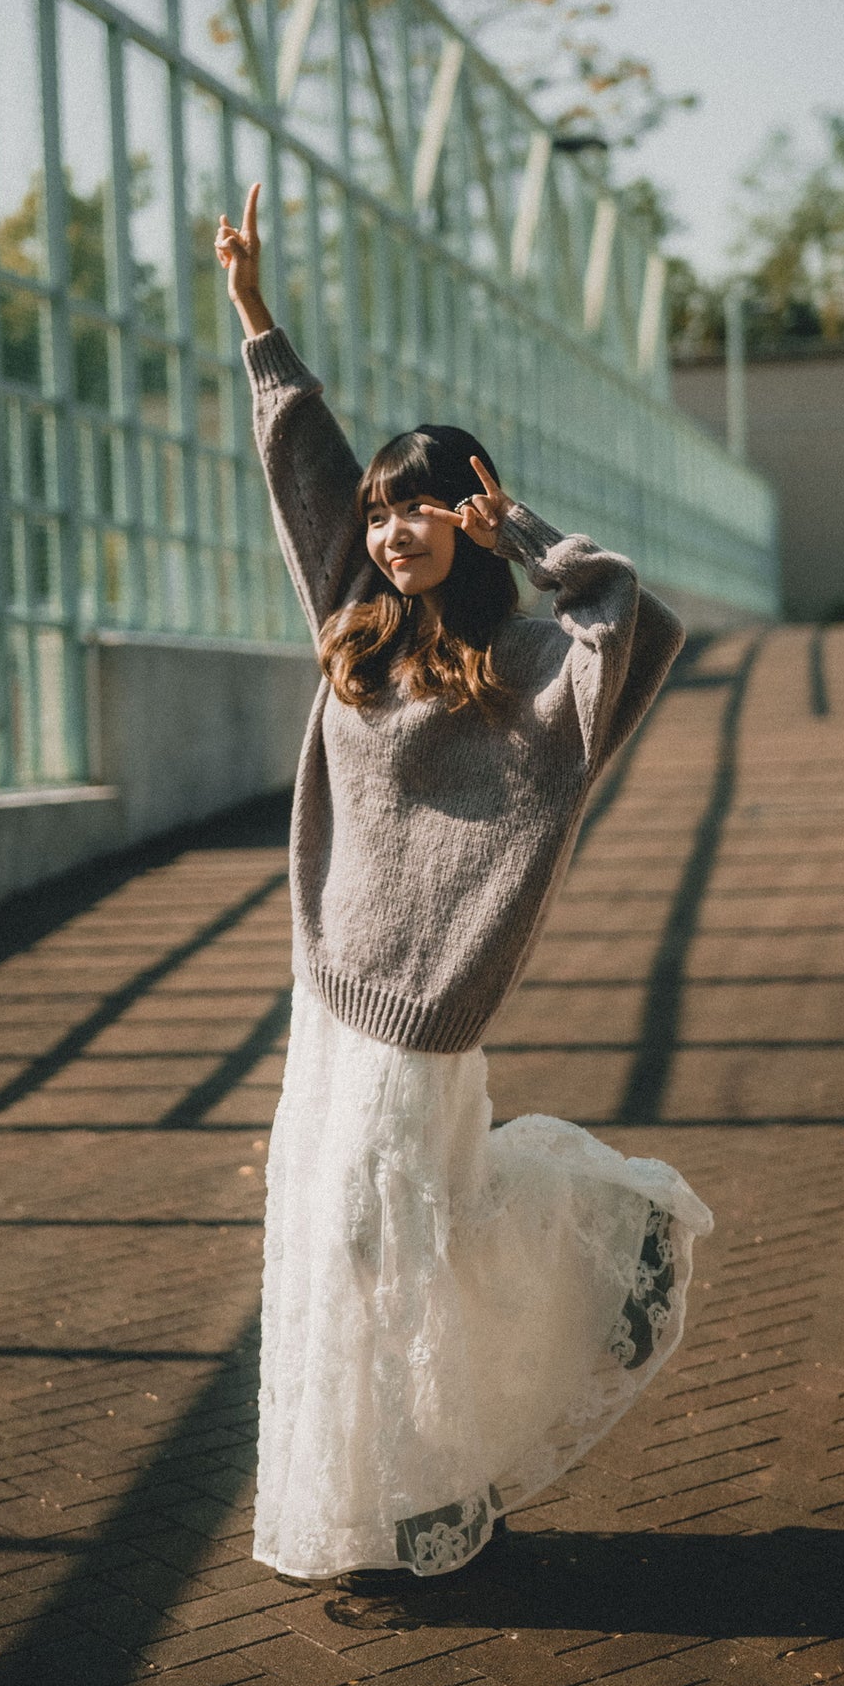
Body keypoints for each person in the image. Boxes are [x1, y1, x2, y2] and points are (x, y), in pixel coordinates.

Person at [215, 182, 712, 1584]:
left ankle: (609, 1237)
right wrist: (258, 319)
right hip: (327, 994)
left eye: (423, 509)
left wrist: (532, 539)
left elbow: (638, 621)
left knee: (392, 1237)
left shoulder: (538, 677)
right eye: (383, 510)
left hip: (429, 1011)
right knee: (349, 1246)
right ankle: (394, 1503)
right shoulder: (353, 627)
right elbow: (302, 465)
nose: (391, 530)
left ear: (467, 518)